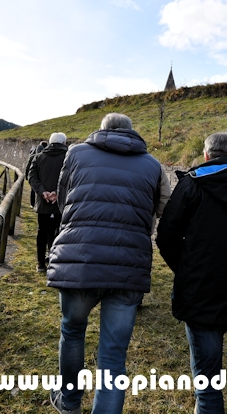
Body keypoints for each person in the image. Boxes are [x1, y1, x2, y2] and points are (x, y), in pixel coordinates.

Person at [47, 113, 170, 414]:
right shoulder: (154, 165)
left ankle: (69, 401)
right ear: (132, 132)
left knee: (72, 331)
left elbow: (64, 200)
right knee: (114, 356)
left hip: (80, 260)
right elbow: (164, 207)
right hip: (128, 265)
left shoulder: (75, 153)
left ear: (101, 131)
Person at [156, 132, 227, 414]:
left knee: (207, 381)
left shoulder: (193, 184)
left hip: (200, 289)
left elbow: (166, 236)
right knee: (210, 358)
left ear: (206, 155)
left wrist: (184, 269)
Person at [27, 132, 68, 272]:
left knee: (42, 231)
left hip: (43, 202)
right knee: (58, 231)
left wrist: (43, 192)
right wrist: (57, 193)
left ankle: (40, 263)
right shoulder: (68, 157)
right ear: (64, 143)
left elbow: (32, 177)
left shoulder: (38, 157)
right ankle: (54, 260)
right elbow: (70, 179)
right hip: (61, 202)